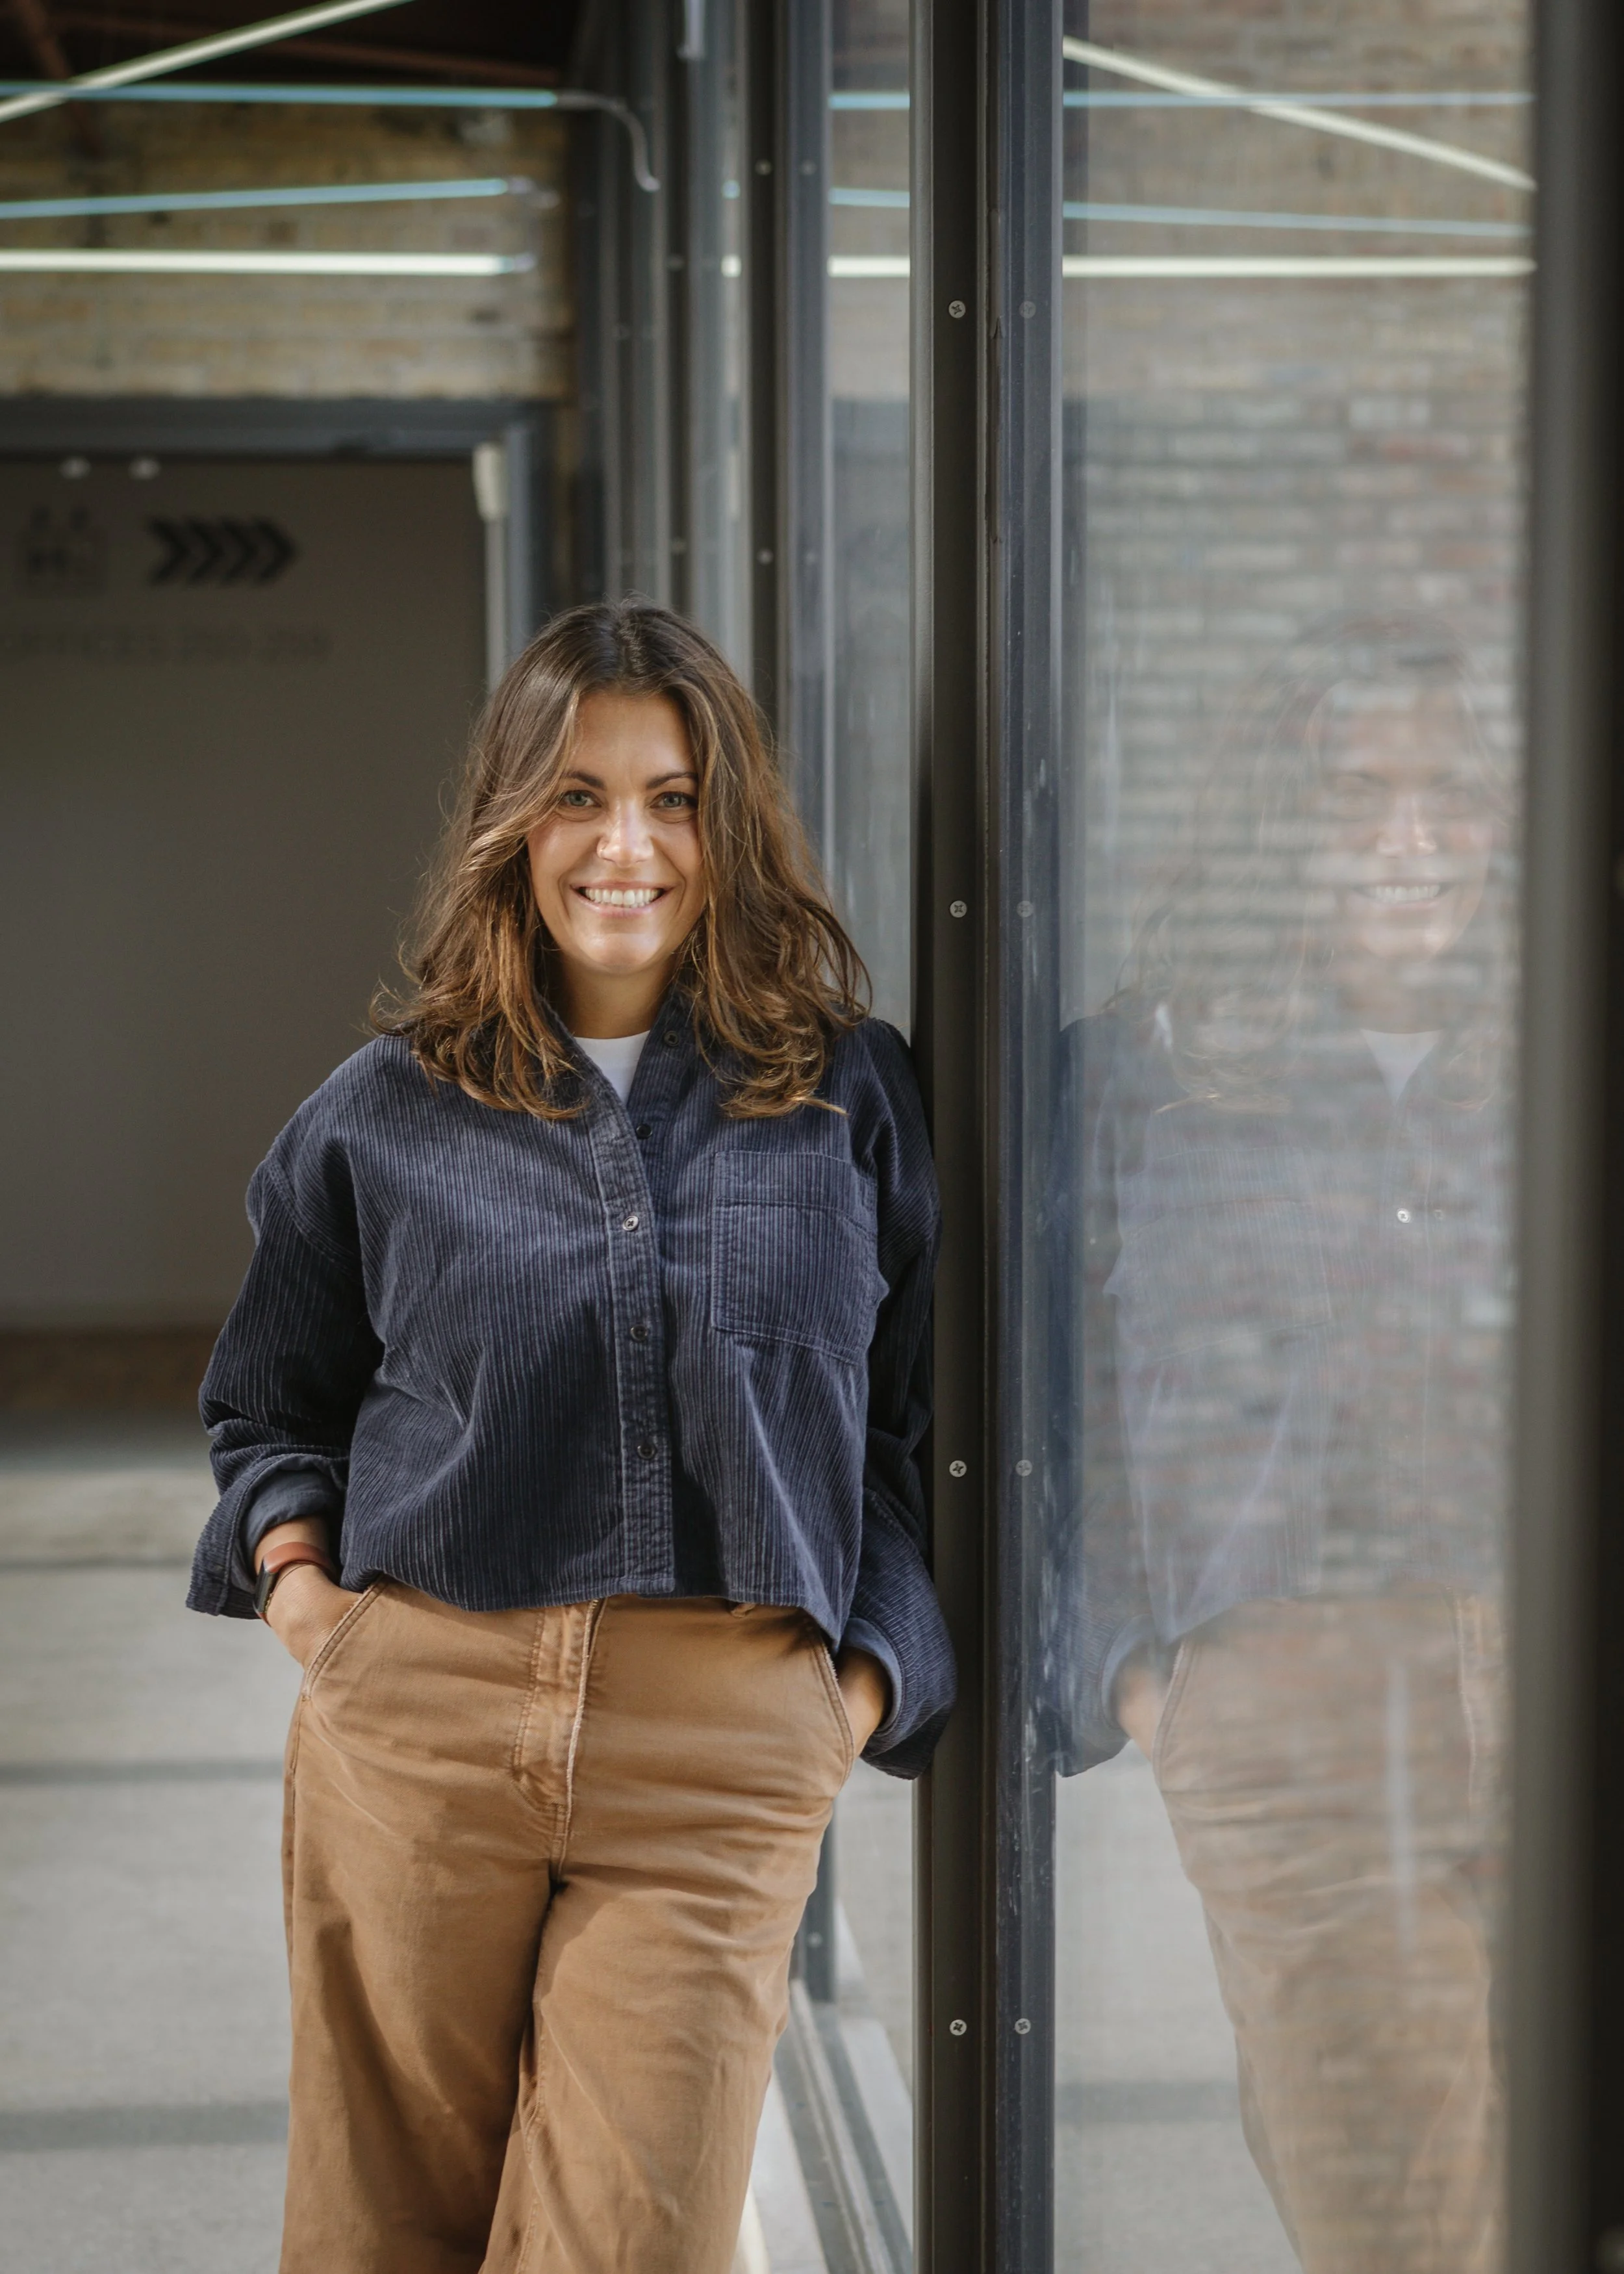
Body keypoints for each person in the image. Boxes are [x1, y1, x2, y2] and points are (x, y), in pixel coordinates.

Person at [186, 599, 954, 2274]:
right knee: (382, 2231)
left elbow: (904, 1436)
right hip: (423, 1726)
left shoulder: (845, 1092)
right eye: (579, 795)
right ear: (512, 820)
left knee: (632, 2239)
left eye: (672, 797)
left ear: (726, 824)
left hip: (720, 1750)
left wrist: (854, 1691)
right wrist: (313, 1606)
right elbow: (268, 1400)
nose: (626, 843)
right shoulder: (382, 1106)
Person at [1056, 617, 1510, 2273]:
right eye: (1354, 791)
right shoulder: (1137, 1081)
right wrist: (1134, 1673)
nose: (1408, 836)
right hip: (1297, 1714)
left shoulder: (1557, 1051)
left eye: (1448, 791)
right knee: (1406, 2223)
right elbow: (1046, 1408)